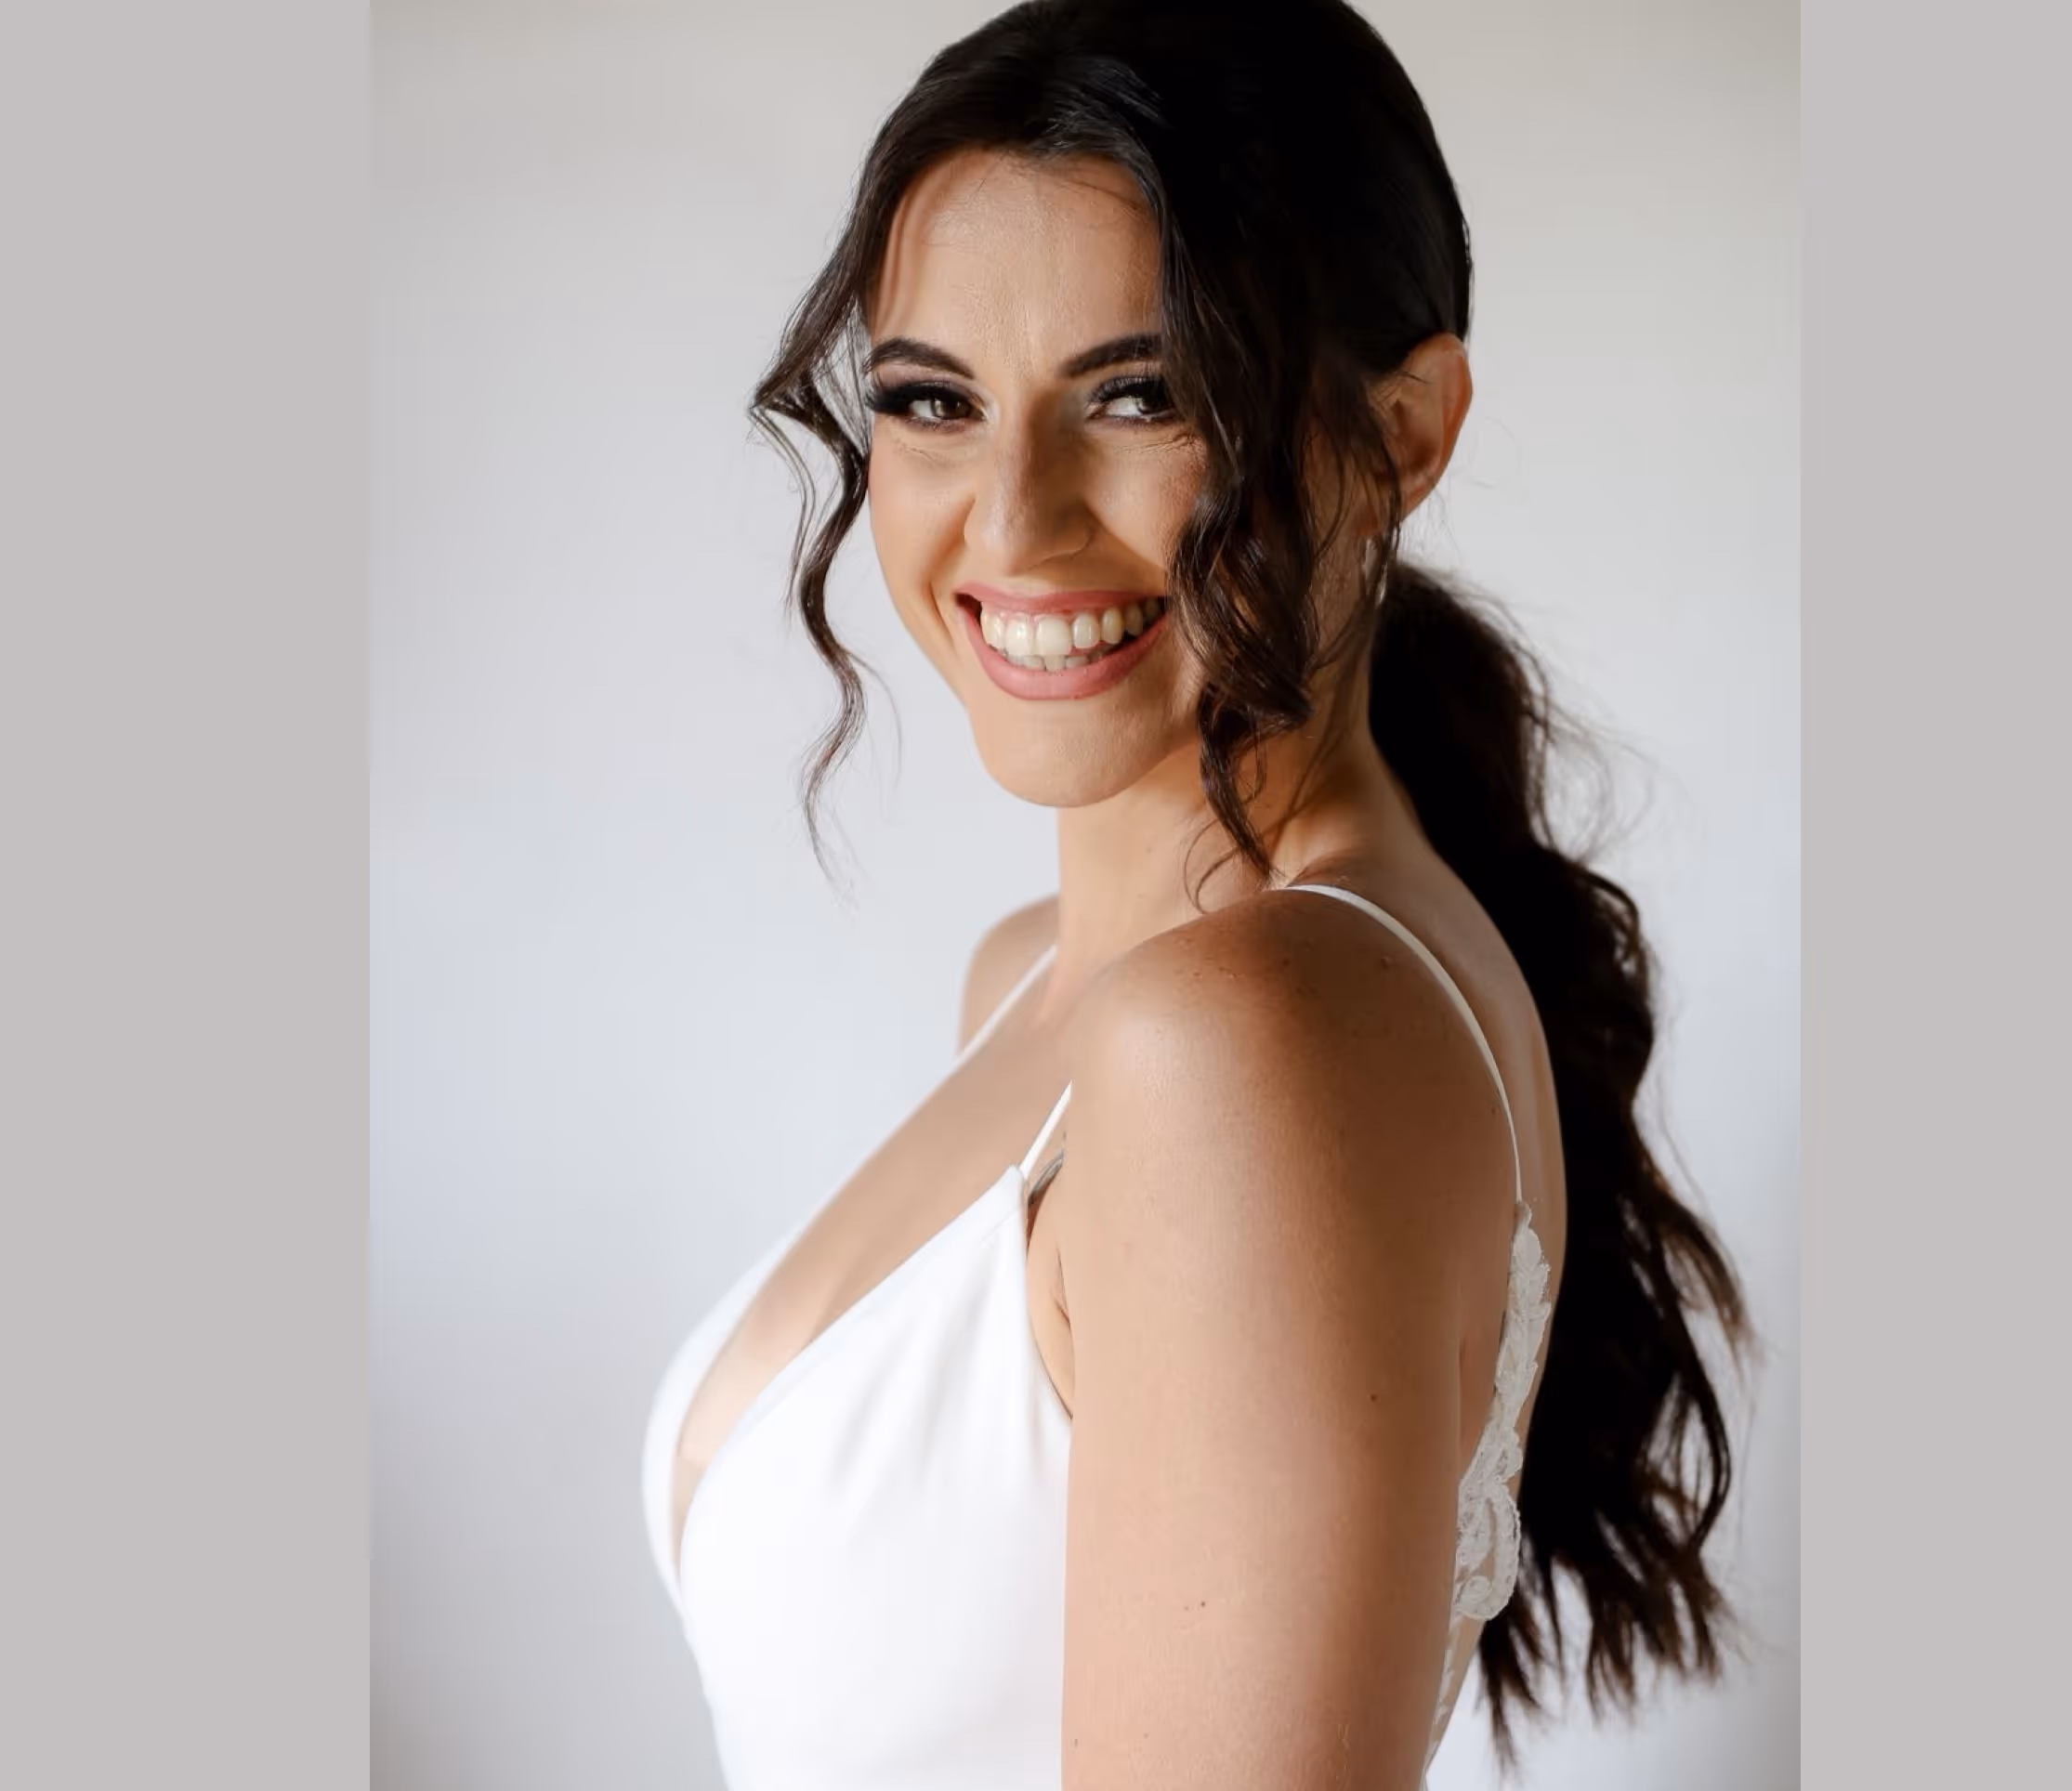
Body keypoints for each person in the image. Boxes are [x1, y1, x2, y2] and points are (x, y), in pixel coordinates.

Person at [641, 2, 1751, 1785]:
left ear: (1407, 430)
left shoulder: (1236, 1047)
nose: (1010, 521)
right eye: (933, 401)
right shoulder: (1057, 981)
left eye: (1140, 395)